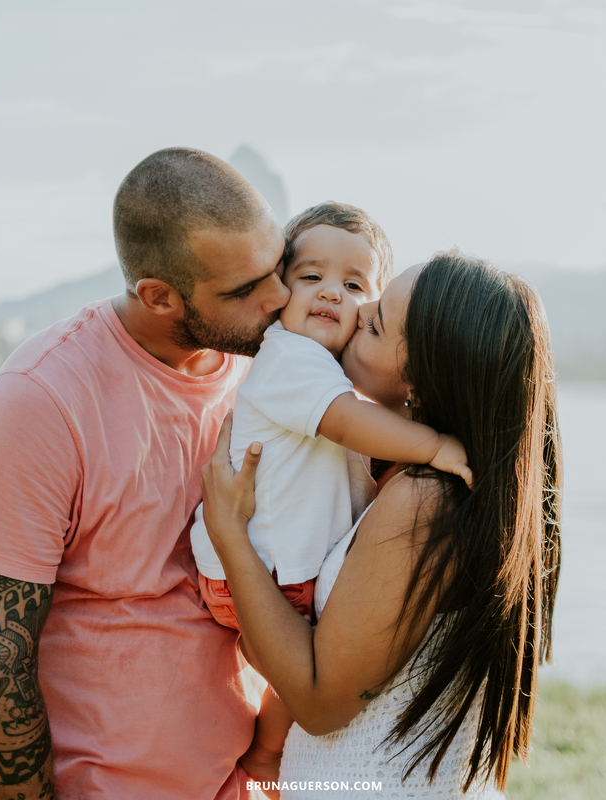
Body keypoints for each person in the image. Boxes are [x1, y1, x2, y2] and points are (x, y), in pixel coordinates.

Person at [0, 147, 290, 800]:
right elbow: (0, 662)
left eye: (277, 267)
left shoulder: (269, 371)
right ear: (158, 296)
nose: (279, 297)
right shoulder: (41, 401)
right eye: (243, 290)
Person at [201, 251, 562, 798]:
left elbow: (320, 703)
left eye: (375, 321)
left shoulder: (424, 503)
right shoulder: (413, 477)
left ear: (419, 381)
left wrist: (231, 539)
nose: (353, 307)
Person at [188, 203, 473, 782]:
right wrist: (436, 445)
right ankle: (264, 752)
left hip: (269, 563)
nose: (334, 297)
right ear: (275, 292)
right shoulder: (292, 361)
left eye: (354, 287)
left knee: (300, 662)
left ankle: (264, 752)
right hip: (265, 566)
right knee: (304, 651)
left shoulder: (329, 382)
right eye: (310, 277)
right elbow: (344, 419)